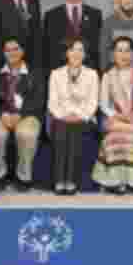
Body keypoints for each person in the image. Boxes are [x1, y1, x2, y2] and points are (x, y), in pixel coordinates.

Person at [93, 36, 133, 194]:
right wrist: (118, 116)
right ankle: (115, 181)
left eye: (127, 51)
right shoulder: (108, 75)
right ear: (113, 54)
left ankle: (130, 181)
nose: (124, 55)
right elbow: (103, 104)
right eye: (119, 50)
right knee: (118, 131)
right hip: (114, 117)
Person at [0, 36, 44, 193]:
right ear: (3, 53)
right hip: (1, 116)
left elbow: (39, 100)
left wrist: (21, 115)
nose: (12, 53)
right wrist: (2, 115)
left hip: (26, 115)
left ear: (23, 51)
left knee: (27, 133)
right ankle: (0, 175)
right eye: (7, 50)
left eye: (15, 49)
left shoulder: (36, 73)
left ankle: (23, 176)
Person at [48, 37, 99, 195]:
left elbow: (93, 102)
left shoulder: (92, 74)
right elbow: (52, 102)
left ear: (84, 54)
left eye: (80, 50)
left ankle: (71, 180)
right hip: (60, 117)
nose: (76, 53)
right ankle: (59, 179)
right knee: (63, 127)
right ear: (66, 53)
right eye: (72, 49)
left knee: (75, 129)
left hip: (84, 118)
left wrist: (79, 116)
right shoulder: (56, 74)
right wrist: (64, 115)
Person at [43, 0, 103, 73]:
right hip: (60, 73)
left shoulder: (95, 14)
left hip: (88, 73)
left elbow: (98, 48)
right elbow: (46, 50)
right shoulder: (51, 15)